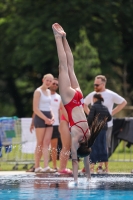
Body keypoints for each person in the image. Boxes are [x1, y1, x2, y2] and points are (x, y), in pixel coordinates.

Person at [52, 23, 91, 184]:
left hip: (79, 97)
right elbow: (75, 160)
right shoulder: (76, 137)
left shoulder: (88, 135)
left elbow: (86, 159)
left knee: (70, 67)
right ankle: (57, 37)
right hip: (69, 100)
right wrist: (75, 180)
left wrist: (88, 178)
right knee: (63, 67)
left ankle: (65, 38)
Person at [84, 75, 127, 172]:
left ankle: (100, 166)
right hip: (95, 125)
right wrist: (91, 115)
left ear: (103, 84)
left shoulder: (110, 94)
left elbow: (123, 102)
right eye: (94, 84)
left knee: (104, 145)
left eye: (97, 85)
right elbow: (84, 104)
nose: (95, 86)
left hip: (107, 125)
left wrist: (111, 113)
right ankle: (93, 165)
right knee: (94, 145)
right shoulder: (92, 95)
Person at [33, 73, 56, 173]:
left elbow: (49, 106)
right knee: (40, 142)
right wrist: (45, 118)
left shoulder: (48, 92)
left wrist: (52, 116)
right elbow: (35, 108)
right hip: (40, 117)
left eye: (51, 81)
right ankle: (37, 166)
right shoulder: (38, 91)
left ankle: (46, 166)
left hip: (48, 117)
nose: (49, 82)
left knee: (47, 143)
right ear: (43, 80)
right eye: (47, 80)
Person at [87, 93, 112, 173]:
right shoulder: (105, 107)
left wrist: (88, 125)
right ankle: (106, 168)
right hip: (103, 129)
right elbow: (109, 118)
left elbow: (90, 118)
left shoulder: (94, 107)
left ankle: (92, 168)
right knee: (103, 148)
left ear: (95, 99)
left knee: (94, 148)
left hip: (95, 130)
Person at [49, 78, 62, 170]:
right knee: (42, 145)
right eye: (54, 83)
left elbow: (60, 111)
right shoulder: (43, 95)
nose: (55, 85)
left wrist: (61, 123)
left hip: (55, 124)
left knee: (54, 147)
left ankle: (54, 166)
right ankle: (42, 166)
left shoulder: (59, 97)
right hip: (44, 123)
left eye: (57, 84)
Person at [58, 104, 72, 174]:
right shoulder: (63, 98)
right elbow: (64, 112)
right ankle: (62, 168)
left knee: (69, 147)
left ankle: (64, 167)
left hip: (71, 122)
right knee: (65, 146)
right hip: (65, 122)